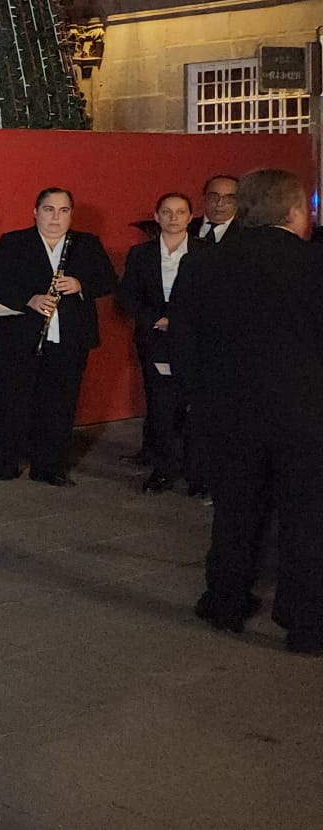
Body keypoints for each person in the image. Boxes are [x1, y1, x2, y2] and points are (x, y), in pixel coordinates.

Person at [171, 168, 322, 655]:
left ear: (246, 210)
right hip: (306, 416)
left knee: (234, 511)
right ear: (297, 211)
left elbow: (183, 340)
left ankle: (226, 602)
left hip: (228, 414)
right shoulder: (315, 263)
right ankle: (305, 623)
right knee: (306, 519)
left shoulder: (203, 265)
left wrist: (198, 399)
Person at [0, 187, 118, 487]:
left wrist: (79, 284)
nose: (56, 217)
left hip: (69, 339)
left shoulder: (86, 244)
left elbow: (107, 280)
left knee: (59, 403)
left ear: (71, 214)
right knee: (11, 401)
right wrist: (27, 299)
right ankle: (2, 464)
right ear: (35, 212)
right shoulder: (14, 242)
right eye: (48, 209)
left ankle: (50, 467)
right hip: (20, 337)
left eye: (63, 210)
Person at [116, 192, 202, 497]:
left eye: (180, 212)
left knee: (195, 408)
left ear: (191, 217)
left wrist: (177, 320)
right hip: (155, 337)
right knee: (161, 406)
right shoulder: (141, 254)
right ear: (157, 216)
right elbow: (127, 296)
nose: (174, 218)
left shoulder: (207, 252)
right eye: (167, 212)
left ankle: (198, 474)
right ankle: (163, 469)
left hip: (195, 340)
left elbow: (214, 299)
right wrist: (155, 319)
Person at [194, 174, 238, 243]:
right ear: (204, 198)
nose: (219, 203)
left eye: (228, 198)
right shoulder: (183, 228)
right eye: (213, 197)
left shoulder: (250, 234)